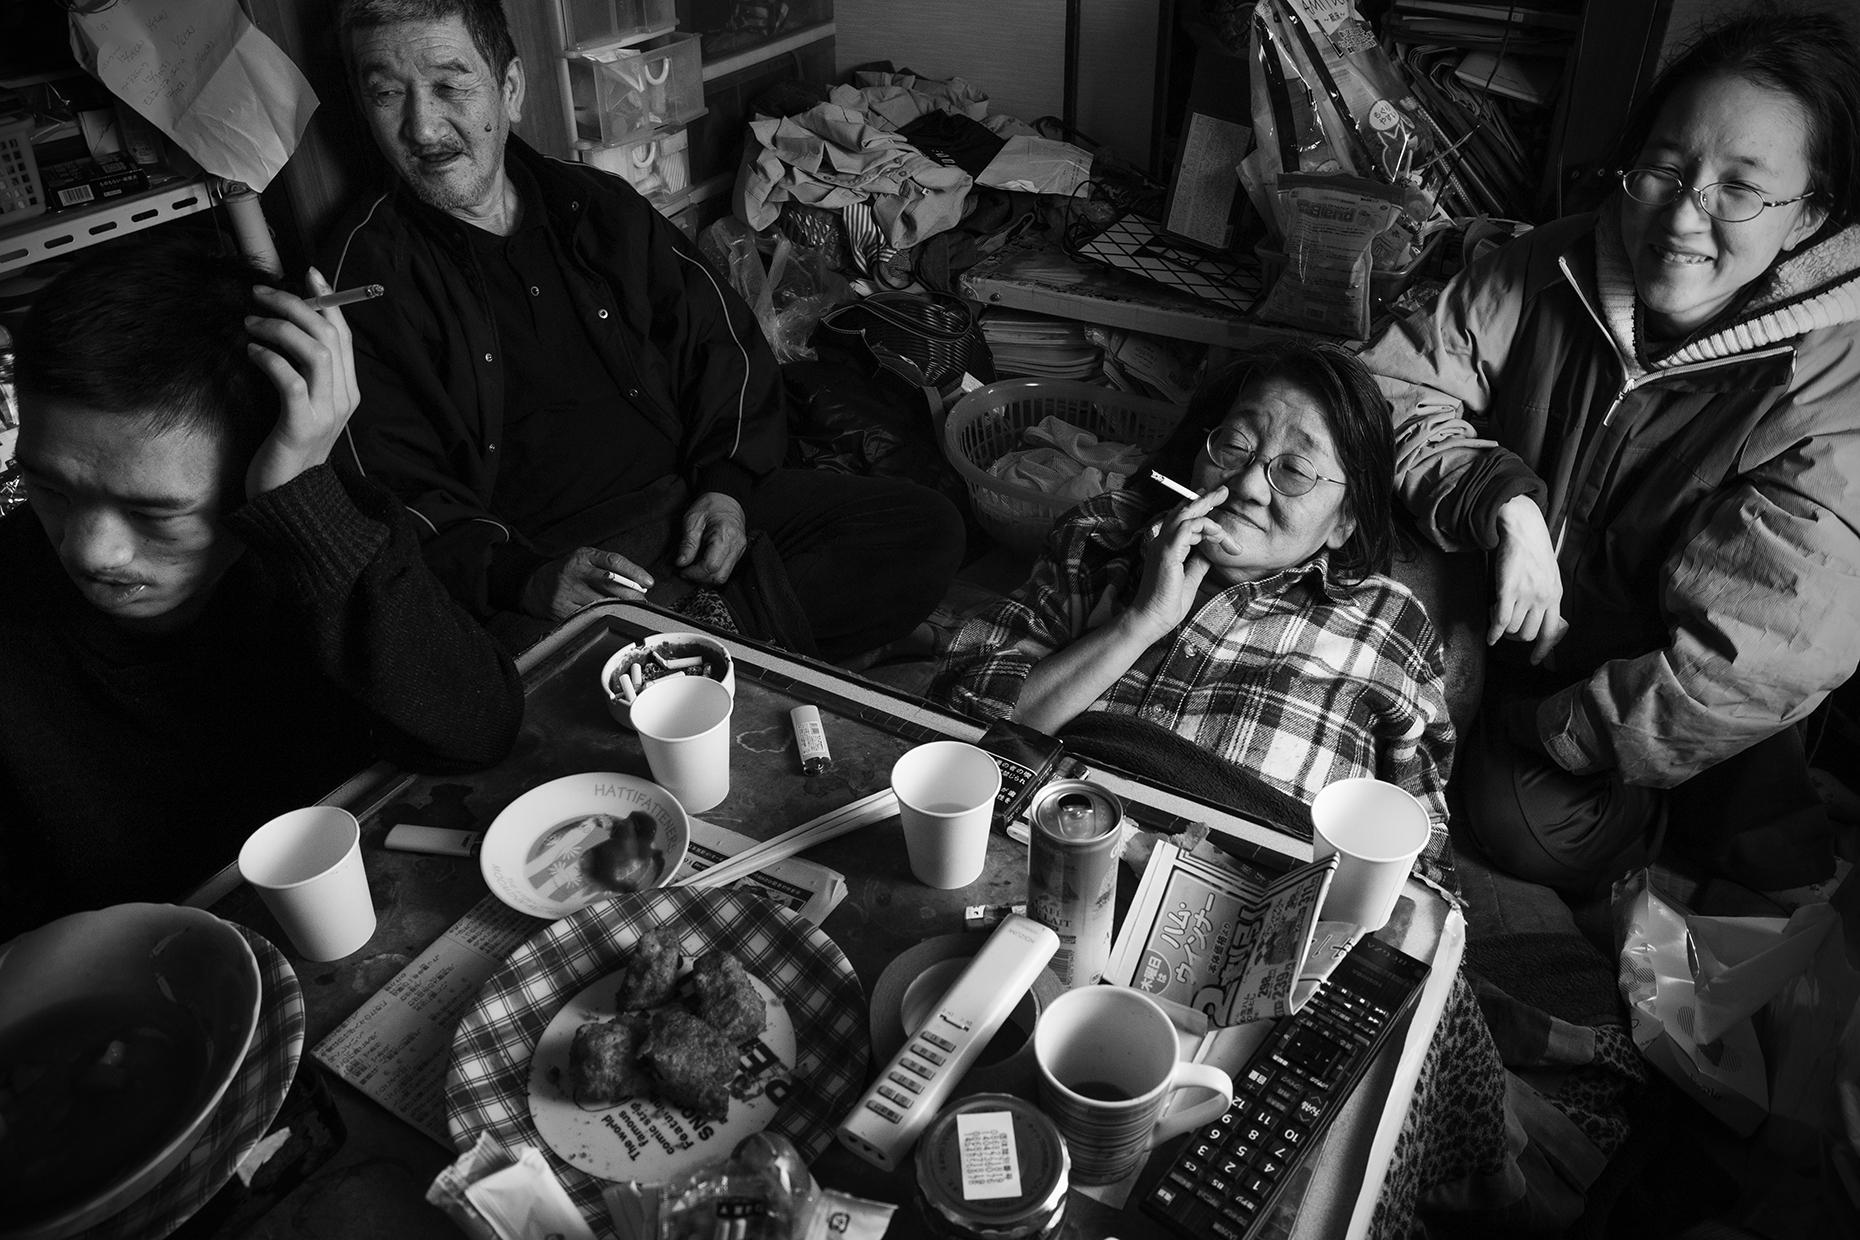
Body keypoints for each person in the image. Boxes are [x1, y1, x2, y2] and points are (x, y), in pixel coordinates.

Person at [1358, 8, 1860, 895]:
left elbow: (1770, 641)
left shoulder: (1828, 384)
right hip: (1523, 625)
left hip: (1644, 679)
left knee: (1524, 828)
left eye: (1741, 189)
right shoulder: (1543, 267)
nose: (1684, 215)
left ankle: (1698, 805)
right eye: (1666, 168)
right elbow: (1389, 389)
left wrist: (1569, 731)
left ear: (1810, 212)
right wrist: (1500, 500)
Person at [325, 0, 965, 658]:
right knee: (493, 682)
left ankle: (695, 640)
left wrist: (726, 491)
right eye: (386, 94)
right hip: (552, 569)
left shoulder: (595, 207)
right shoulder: (360, 280)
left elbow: (723, 345)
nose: (423, 127)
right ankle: (748, 638)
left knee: (922, 527)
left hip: (685, 506)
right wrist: (522, 577)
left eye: (450, 85)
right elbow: (387, 492)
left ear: (509, 89)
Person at [0, 237, 525, 938]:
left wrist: (305, 501)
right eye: (48, 488)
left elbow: (477, 731)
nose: (90, 550)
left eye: (154, 510)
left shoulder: (317, 534)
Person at [935, 343, 1455, 863]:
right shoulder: (1106, 535)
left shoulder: (1388, 620)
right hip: (1055, 852)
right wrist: (1139, 623)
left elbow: (1419, 855)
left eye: (1295, 470)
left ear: (1345, 522)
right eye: (1234, 444)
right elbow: (961, 725)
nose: (1248, 484)